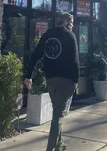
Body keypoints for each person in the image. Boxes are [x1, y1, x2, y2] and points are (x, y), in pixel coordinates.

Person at [25, 13, 79, 151]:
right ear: (67, 22)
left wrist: (28, 75)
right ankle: (50, 148)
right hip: (66, 81)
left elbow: (35, 54)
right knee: (57, 116)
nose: (72, 25)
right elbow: (75, 62)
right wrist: (76, 82)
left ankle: (59, 144)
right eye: (72, 22)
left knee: (57, 112)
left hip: (50, 80)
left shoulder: (48, 35)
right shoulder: (70, 36)